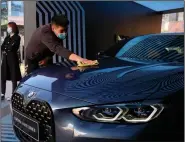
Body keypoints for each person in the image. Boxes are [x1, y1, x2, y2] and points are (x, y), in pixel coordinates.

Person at [26, 14, 96, 74]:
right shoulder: (44, 32)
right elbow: (57, 49)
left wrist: (47, 59)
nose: (64, 33)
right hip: (33, 58)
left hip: (46, 56)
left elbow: (56, 48)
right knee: (33, 80)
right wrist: (80, 59)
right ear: (53, 28)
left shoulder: (58, 33)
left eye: (66, 30)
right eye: (62, 30)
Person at [1, 22, 22, 100]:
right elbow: (2, 46)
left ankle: (13, 94)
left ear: (12, 28)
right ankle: (2, 93)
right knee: (3, 76)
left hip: (13, 59)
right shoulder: (7, 37)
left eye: (8, 27)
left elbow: (12, 47)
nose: (8, 29)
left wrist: (6, 48)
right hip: (5, 59)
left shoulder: (17, 37)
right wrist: (6, 48)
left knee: (14, 77)